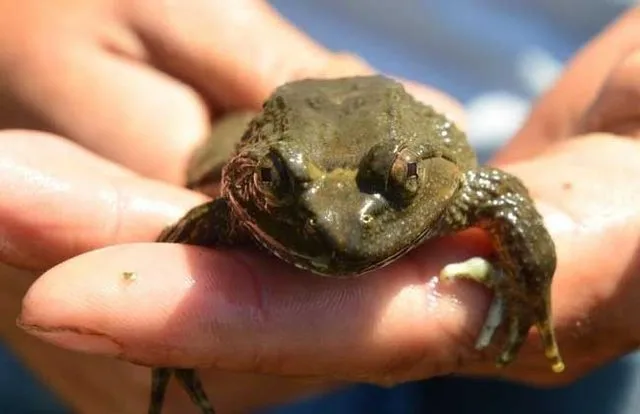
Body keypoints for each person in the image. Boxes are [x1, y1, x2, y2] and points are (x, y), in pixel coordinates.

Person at [1, 1, 639, 413]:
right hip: (202, 96)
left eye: (393, 184)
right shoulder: (235, 207)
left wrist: (529, 292)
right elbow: (189, 226)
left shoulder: (455, 190)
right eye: (278, 186)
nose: (340, 228)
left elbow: (504, 193)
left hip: (542, 126)